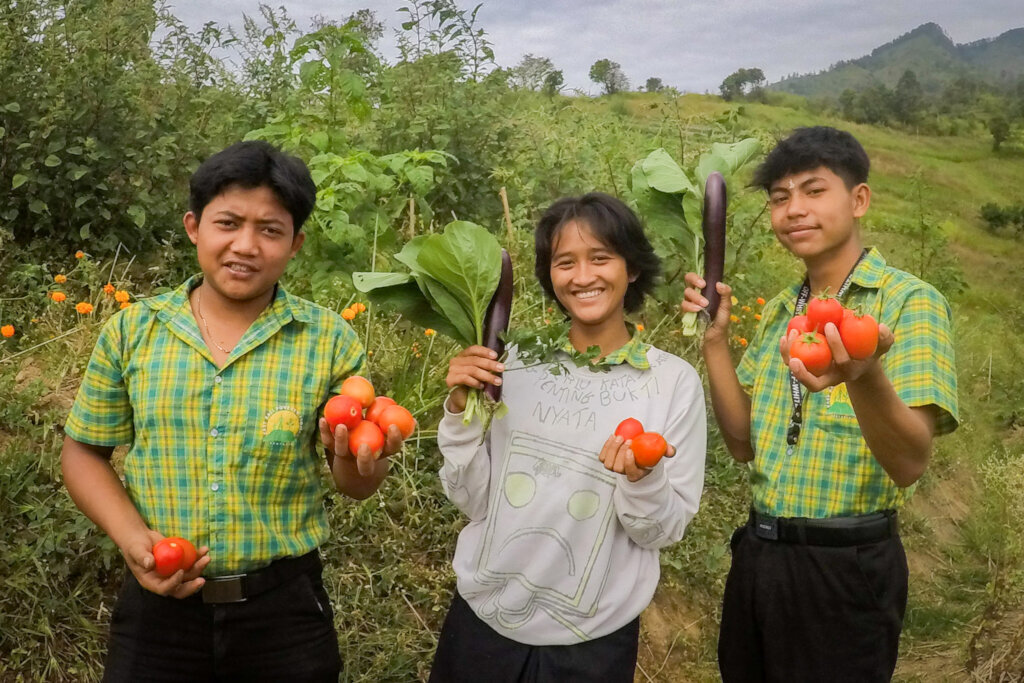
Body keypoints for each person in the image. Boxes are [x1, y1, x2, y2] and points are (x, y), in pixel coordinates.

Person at [61, 140, 407, 681]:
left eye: (270, 229)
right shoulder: (133, 331)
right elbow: (84, 451)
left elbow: (355, 484)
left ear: (295, 244)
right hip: (158, 608)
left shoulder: (328, 340)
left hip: (284, 612)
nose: (245, 245)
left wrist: (363, 456)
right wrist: (132, 539)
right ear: (194, 226)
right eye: (228, 223)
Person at [681, 126, 959, 682]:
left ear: (858, 200)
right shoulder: (781, 311)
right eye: (780, 198)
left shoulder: (908, 303)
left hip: (846, 567)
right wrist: (714, 342)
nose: (794, 210)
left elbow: (908, 463)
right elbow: (742, 445)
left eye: (813, 191)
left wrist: (863, 374)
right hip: (760, 556)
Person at [428, 192, 707, 682]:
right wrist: (460, 411)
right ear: (549, 275)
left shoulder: (671, 382)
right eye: (565, 262)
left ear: (632, 269)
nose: (583, 277)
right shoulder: (508, 364)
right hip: (483, 621)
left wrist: (643, 480)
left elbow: (662, 531)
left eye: (600, 258)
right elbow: (472, 499)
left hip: (592, 640)